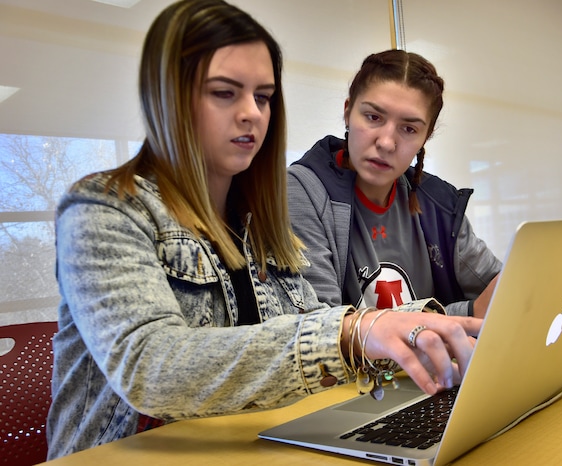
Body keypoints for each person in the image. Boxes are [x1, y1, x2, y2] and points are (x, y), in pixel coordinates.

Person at [47, 0, 483, 460]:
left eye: (263, 96)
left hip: (240, 450)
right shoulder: (103, 208)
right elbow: (151, 366)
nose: (252, 113)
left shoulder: (263, 226)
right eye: (224, 93)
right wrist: (352, 333)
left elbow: (312, 323)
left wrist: (432, 326)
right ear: (167, 95)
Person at [287, 49, 502, 319]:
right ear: (347, 111)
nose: (386, 142)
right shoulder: (301, 192)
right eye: (373, 117)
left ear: (426, 136)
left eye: (409, 129)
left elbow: (502, 289)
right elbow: (320, 332)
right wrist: (464, 314)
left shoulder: (438, 203)